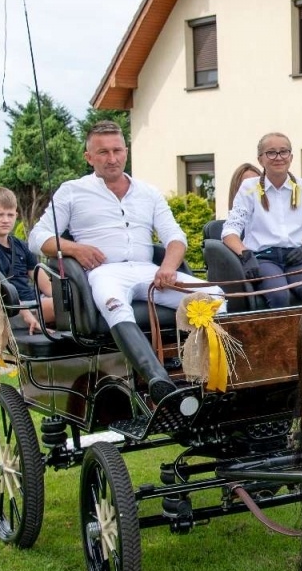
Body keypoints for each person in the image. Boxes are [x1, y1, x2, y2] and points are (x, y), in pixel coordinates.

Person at [28, 121, 223, 403]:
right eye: (103, 152)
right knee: (115, 303)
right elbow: (37, 237)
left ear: (126, 151)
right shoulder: (72, 191)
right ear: (89, 157)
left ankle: (204, 374)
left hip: (150, 271)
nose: (112, 158)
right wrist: (74, 248)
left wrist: (168, 267)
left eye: (117, 150)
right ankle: (158, 381)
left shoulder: (148, 192)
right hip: (104, 273)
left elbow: (175, 237)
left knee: (216, 296)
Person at [221, 132, 302, 309]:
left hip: (296, 258)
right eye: (271, 152)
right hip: (264, 259)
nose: (278, 157)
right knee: (278, 295)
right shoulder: (249, 188)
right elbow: (229, 231)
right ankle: (278, 337)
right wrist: (245, 254)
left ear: (291, 157)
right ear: (260, 159)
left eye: (283, 152)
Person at [0, 186, 50, 332]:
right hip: (6, 309)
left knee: (72, 302)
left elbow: (45, 284)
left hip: (32, 303)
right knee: (69, 307)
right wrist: (25, 313)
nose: (5, 220)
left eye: (10, 215)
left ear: (16, 215)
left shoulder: (20, 245)